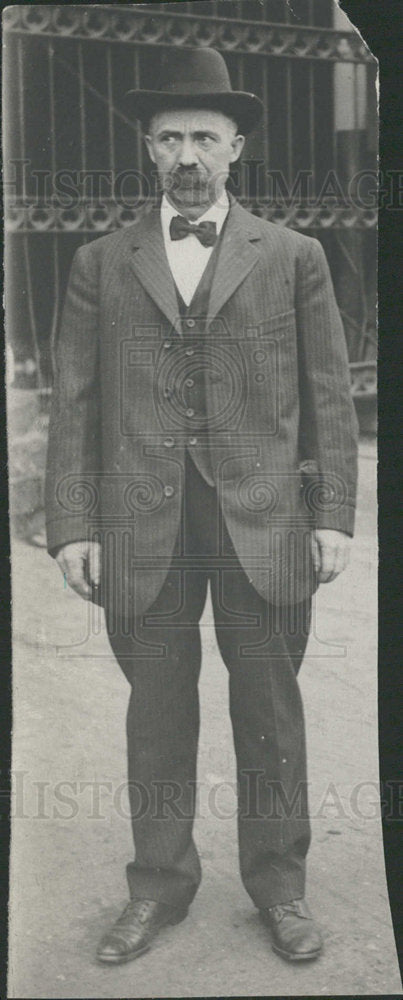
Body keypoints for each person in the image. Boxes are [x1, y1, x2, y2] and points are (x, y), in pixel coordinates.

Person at [45, 47, 358, 965]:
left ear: (236, 149)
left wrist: (332, 513)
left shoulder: (292, 256)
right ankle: (158, 886)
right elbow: (76, 403)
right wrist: (71, 525)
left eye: (205, 139)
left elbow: (328, 394)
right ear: (149, 149)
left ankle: (280, 888)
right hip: (140, 519)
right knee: (157, 706)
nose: (188, 155)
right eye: (171, 138)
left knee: (268, 705)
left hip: (263, 518)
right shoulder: (101, 262)